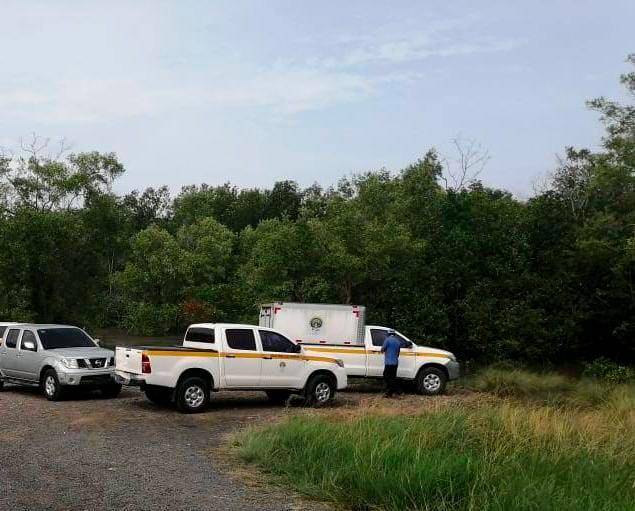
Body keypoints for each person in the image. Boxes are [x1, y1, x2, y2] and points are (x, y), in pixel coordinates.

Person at [381, 329, 401, 397]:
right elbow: (398, 354)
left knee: (387, 377)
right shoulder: (398, 341)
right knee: (393, 377)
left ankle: (397, 391)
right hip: (395, 363)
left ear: (388, 334)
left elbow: (382, 349)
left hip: (388, 363)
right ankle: (390, 393)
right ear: (394, 334)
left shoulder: (387, 340)